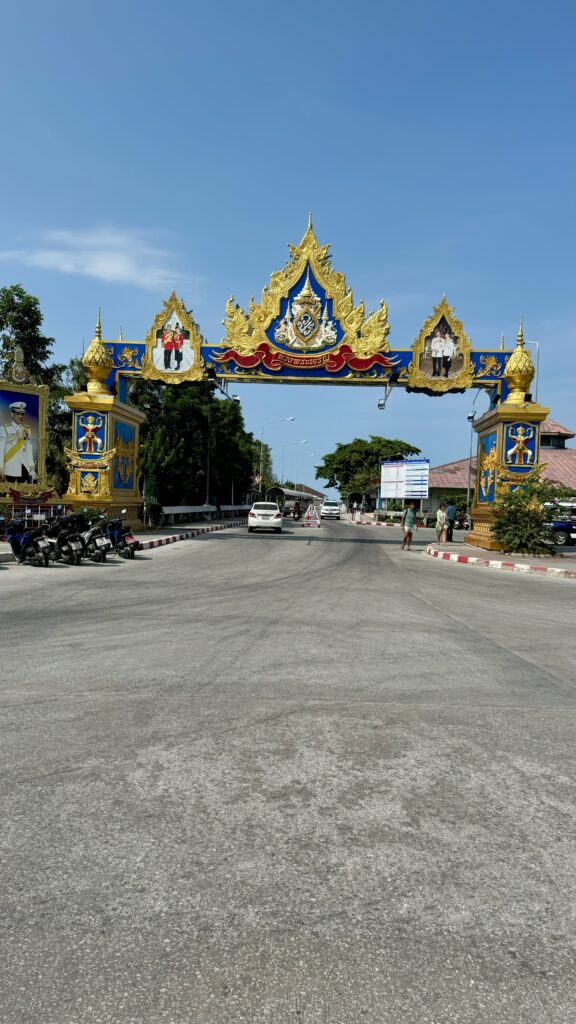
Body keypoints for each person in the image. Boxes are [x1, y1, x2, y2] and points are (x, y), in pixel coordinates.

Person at [0, 401, 37, 483]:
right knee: (10, 492)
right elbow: (1, 449)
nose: (21, 416)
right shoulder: (5, 428)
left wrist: (31, 465)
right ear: (12, 415)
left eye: (22, 414)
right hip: (9, 466)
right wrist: (1, 466)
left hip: (23, 465)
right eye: (18, 413)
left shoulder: (26, 430)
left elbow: (28, 447)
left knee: (23, 491)